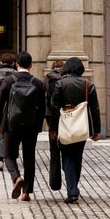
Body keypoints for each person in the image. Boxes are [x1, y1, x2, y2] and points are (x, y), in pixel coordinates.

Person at [0, 52, 45, 202]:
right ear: (31, 65)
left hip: (11, 124)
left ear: (16, 64)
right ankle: (26, 192)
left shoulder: (8, 81)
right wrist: (39, 126)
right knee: (29, 157)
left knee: (9, 155)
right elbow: (42, 107)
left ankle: (16, 177)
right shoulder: (38, 83)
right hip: (31, 126)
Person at [49, 57, 101, 204]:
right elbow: (95, 109)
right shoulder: (87, 84)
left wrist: (53, 128)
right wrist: (96, 130)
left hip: (65, 125)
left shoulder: (60, 83)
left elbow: (54, 108)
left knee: (67, 157)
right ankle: (74, 188)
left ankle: (72, 191)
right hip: (81, 126)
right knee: (77, 157)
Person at [45, 60, 64, 188]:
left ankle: (54, 181)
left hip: (50, 116)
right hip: (65, 116)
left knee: (54, 150)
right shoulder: (65, 81)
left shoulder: (46, 80)